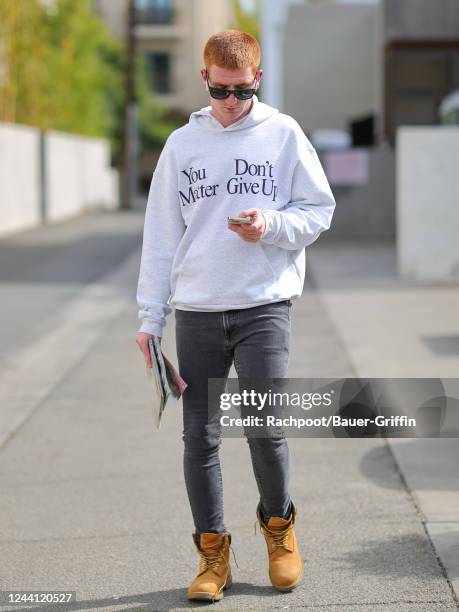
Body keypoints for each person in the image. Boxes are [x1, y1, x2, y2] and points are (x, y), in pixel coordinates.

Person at [135, 30, 335, 603]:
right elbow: (160, 238)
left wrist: (269, 225)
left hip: (263, 304)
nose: (231, 102)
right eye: (221, 91)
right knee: (198, 437)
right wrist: (150, 322)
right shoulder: (180, 145)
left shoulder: (283, 133)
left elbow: (318, 210)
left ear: (258, 80)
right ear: (204, 80)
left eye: (241, 92)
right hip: (197, 310)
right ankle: (212, 554)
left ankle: (279, 529)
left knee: (265, 429)